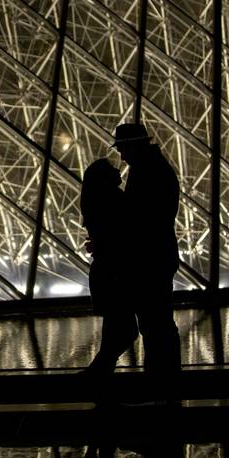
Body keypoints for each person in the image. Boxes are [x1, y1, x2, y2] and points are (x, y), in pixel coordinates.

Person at [111, 123, 181, 394]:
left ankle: (162, 384)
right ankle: (164, 382)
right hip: (158, 255)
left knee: (155, 324)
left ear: (135, 145)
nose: (122, 156)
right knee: (158, 322)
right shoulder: (154, 167)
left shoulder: (147, 171)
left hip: (150, 258)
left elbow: (139, 217)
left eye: (123, 148)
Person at [80, 158, 138, 375]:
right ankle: (99, 372)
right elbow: (122, 236)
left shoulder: (95, 202)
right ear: (104, 179)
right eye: (112, 169)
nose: (118, 170)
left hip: (106, 272)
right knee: (125, 329)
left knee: (115, 328)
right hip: (115, 273)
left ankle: (100, 373)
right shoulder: (112, 200)